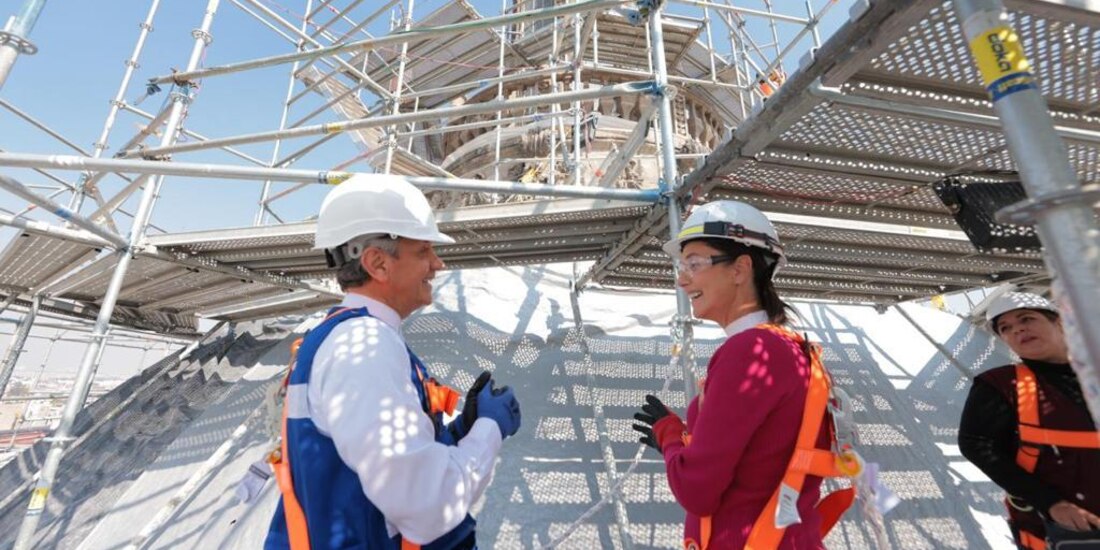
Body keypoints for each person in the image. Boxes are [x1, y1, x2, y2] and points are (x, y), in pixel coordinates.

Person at [265, 174, 522, 550]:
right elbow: (428, 506)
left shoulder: (349, 337)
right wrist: (489, 429)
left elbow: (371, 467)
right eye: (423, 251)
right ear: (378, 264)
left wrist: (459, 430)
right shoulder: (364, 347)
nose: (437, 264)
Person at [632, 200, 858, 550]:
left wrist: (671, 439)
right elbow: (761, 460)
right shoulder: (793, 349)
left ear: (740, 269)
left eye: (694, 263)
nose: (682, 279)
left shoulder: (751, 351)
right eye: (681, 265)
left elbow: (696, 490)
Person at [959, 291, 1100, 549]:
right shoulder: (1002, 384)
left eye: (1026, 319)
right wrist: (1050, 502)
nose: (1017, 330)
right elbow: (975, 444)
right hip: (1069, 532)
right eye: (1005, 328)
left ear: (1059, 323)